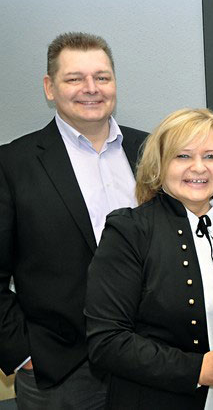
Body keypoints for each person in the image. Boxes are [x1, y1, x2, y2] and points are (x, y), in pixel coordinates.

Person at [84, 108, 213, 409]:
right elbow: (106, 342)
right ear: (159, 165)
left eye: (210, 156)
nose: (199, 168)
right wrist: (197, 369)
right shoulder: (129, 231)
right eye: (183, 156)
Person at [0, 32, 147, 409]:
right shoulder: (11, 164)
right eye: (74, 78)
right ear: (50, 87)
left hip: (152, 358)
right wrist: (22, 353)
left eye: (102, 77)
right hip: (61, 371)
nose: (91, 89)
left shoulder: (153, 152)